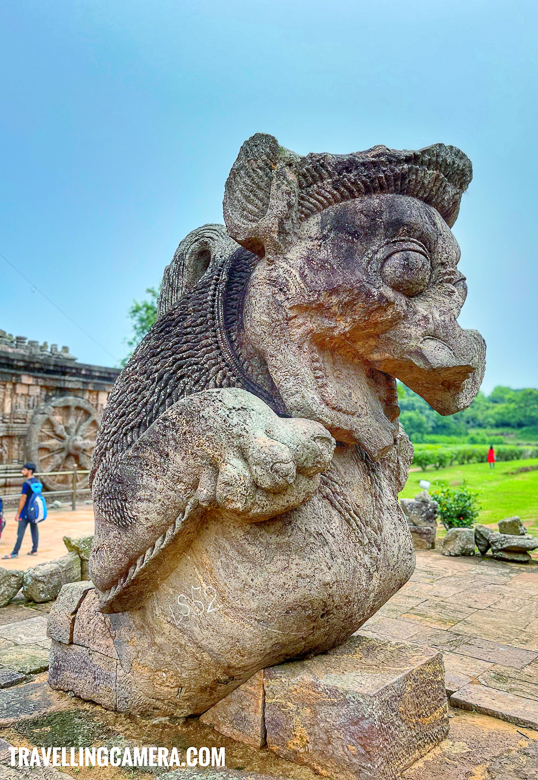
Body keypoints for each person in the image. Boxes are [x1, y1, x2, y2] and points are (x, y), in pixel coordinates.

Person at [2, 462, 40, 558]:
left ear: (30, 471)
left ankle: (15, 552)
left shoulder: (26, 484)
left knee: (20, 532)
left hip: (25, 511)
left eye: (24, 470)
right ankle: (34, 550)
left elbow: (23, 499)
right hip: (34, 511)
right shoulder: (37, 482)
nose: (22, 471)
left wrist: (18, 513)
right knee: (34, 529)